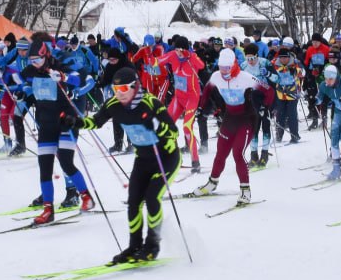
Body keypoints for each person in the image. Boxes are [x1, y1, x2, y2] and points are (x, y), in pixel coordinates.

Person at [79, 67, 180, 263]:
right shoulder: (114, 104)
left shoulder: (150, 104)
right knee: (133, 201)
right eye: (116, 88)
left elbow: (173, 131)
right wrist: (75, 122)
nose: (120, 93)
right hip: (143, 158)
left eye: (124, 88)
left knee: (152, 198)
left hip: (166, 158)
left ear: (135, 87)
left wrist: (157, 127)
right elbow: (96, 121)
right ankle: (134, 246)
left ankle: (152, 246)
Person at [18, 38, 94, 224]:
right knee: (45, 167)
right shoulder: (30, 70)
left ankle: (86, 196)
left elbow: (81, 79)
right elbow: (17, 80)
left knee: (66, 162)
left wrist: (64, 78)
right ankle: (48, 210)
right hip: (46, 122)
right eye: (31, 60)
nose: (34, 63)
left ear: (46, 55)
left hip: (65, 120)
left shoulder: (60, 65)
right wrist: (21, 90)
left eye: (37, 59)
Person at [191, 48, 272, 205]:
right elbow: (206, 91)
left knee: (237, 153)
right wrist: (201, 108)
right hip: (230, 118)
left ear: (233, 65)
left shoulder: (245, 77)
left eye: (227, 68)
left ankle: (245, 190)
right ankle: (212, 183)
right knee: (221, 152)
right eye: (221, 67)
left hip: (247, 119)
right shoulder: (216, 76)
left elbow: (268, 91)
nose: (223, 71)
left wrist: (264, 106)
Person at [159, 35, 205, 172]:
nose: (178, 52)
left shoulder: (192, 58)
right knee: (166, 124)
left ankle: (195, 161)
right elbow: (158, 61)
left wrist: (190, 55)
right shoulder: (173, 55)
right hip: (178, 98)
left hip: (192, 97)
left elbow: (201, 65)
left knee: (187, 127)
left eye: (181, 50)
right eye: (177, 49)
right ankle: (172, 157)